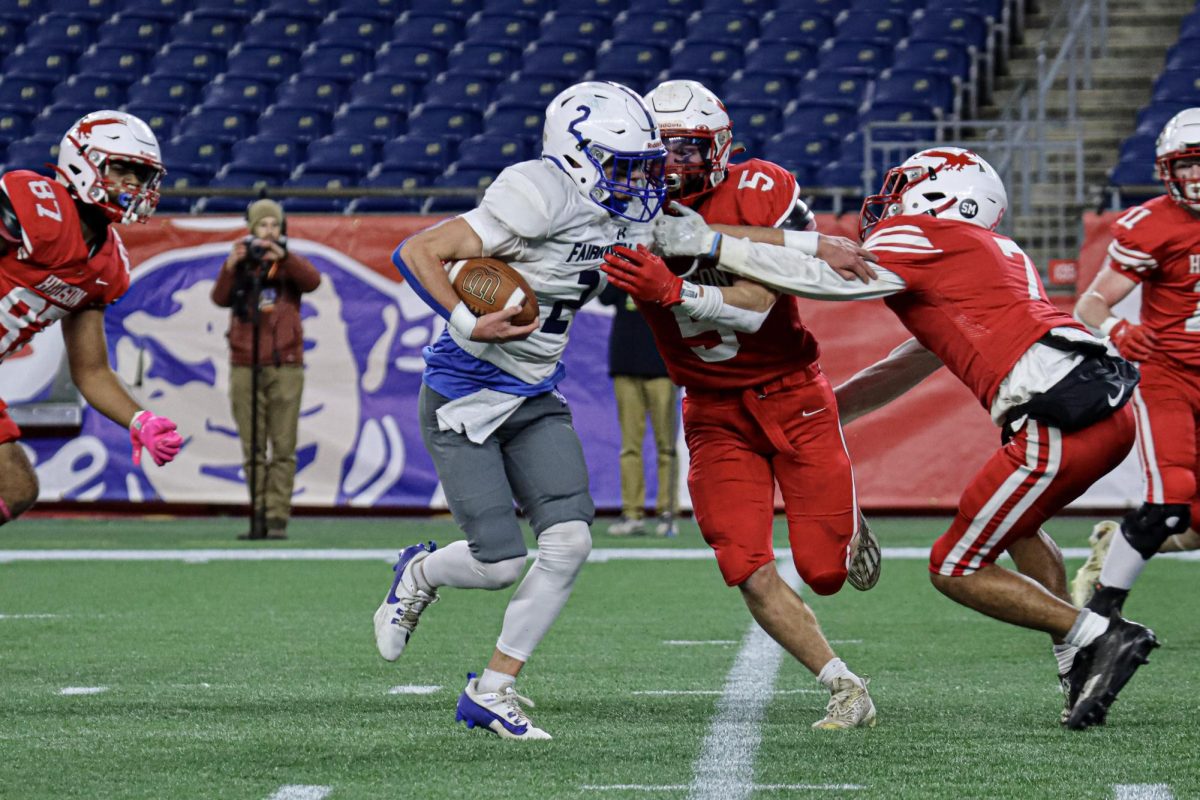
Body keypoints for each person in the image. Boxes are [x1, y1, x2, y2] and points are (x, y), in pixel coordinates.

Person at [632, 145, 1160, 731]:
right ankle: (1076, 660)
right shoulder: (994, 253)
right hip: (1099, 407)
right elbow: (907, 363)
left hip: (1057, 415)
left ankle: (1098, 637)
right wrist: (825, 414)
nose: (891, 198)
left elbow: (826, 280)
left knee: (954, 566)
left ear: (944, 195)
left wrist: (710, 244)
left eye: (908, 184)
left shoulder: (922, 235)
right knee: (1021, 528)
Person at [378, 81, 667, 740]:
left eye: (642, 164)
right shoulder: (538, 192)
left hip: (533, 393)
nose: (637, 179)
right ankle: (419, 572)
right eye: (622, 163)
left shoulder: (624, 212)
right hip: (465, 393)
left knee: (570, 543)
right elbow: (417, 251)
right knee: (500, 563)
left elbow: (692, 238)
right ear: (575, 154)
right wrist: (465, 320)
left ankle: (493, 689)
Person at [603, 79, 881, 730]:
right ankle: (844, 685)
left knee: (825, 571)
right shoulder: (618, 205)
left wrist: (673, 292)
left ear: (721, 148)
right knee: (744, 562)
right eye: (661, 151)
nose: (674, 166)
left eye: (689, 150)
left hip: (792, 390)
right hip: (711, 407)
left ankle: (846, 521)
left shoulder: (760, 188)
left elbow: (755, 308)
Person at [0, 110, 182, 523]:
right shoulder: (34, 202)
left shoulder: (109, 266)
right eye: (123, 169)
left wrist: (139, 418)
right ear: (82, 160)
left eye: (141, 175)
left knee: (15, 487)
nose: (133, 184)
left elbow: (92, 370)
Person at [1070, 107, 1200, 610]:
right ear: (1168, 170)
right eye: (1186, 165)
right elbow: (1090, 303)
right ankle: (1102, 614)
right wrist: (1119, 328)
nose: (1195, 176)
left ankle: (1110, 549)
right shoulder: (1153, 224)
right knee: (1171, 502)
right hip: (1171, 375)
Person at [211, 199, 321, 540]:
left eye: (275, 225)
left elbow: (313, 281)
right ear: (251, 229)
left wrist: (284, 258)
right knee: (252, 447)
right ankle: (257, 514)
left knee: (284, 447)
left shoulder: (288, 265)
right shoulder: (242, 264)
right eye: (263, 226)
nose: (269, 231)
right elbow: (219, 298)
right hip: (245, 364)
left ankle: (277, 519)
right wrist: (231, 266)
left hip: (286, 364)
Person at [597, 282, 678, 537]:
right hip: (625, 362)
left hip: (663, 365)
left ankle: (667, 514)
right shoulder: (623, 266)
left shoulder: (671, 265)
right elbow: (606, 297)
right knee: (630, 446)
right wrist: (619, 263)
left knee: (666, 447)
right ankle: (632, 514)